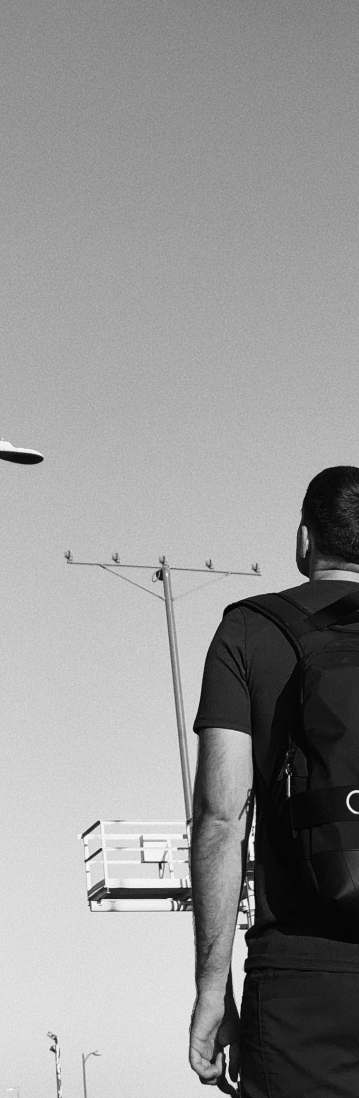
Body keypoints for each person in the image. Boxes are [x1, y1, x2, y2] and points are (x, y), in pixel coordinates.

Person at [189, 466, 359, 1094]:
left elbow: (221, 820)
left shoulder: (249, 630)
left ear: (304, 539)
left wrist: (213, 988)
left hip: (300, 981)